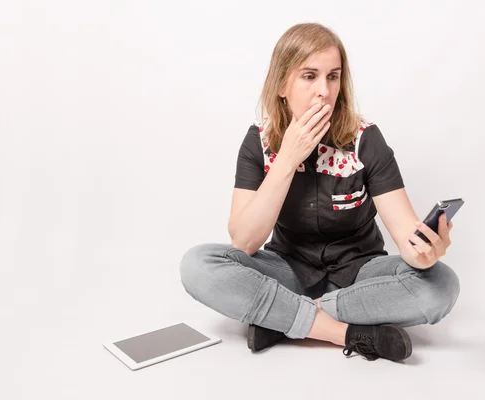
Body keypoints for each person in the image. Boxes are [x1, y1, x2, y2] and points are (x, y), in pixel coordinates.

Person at [179, 22, 460, 362]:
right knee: (198, 264)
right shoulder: (258, 142)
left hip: (360, 277)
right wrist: (287, 159)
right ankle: (346, 333)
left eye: (333, 76)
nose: (324, 91)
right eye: (309, 76)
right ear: (282, 84)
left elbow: (405, 234)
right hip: (287, 271)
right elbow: (245, 241)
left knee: (441, 286)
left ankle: (282, 320)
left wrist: (423, 252)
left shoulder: (365, 139)